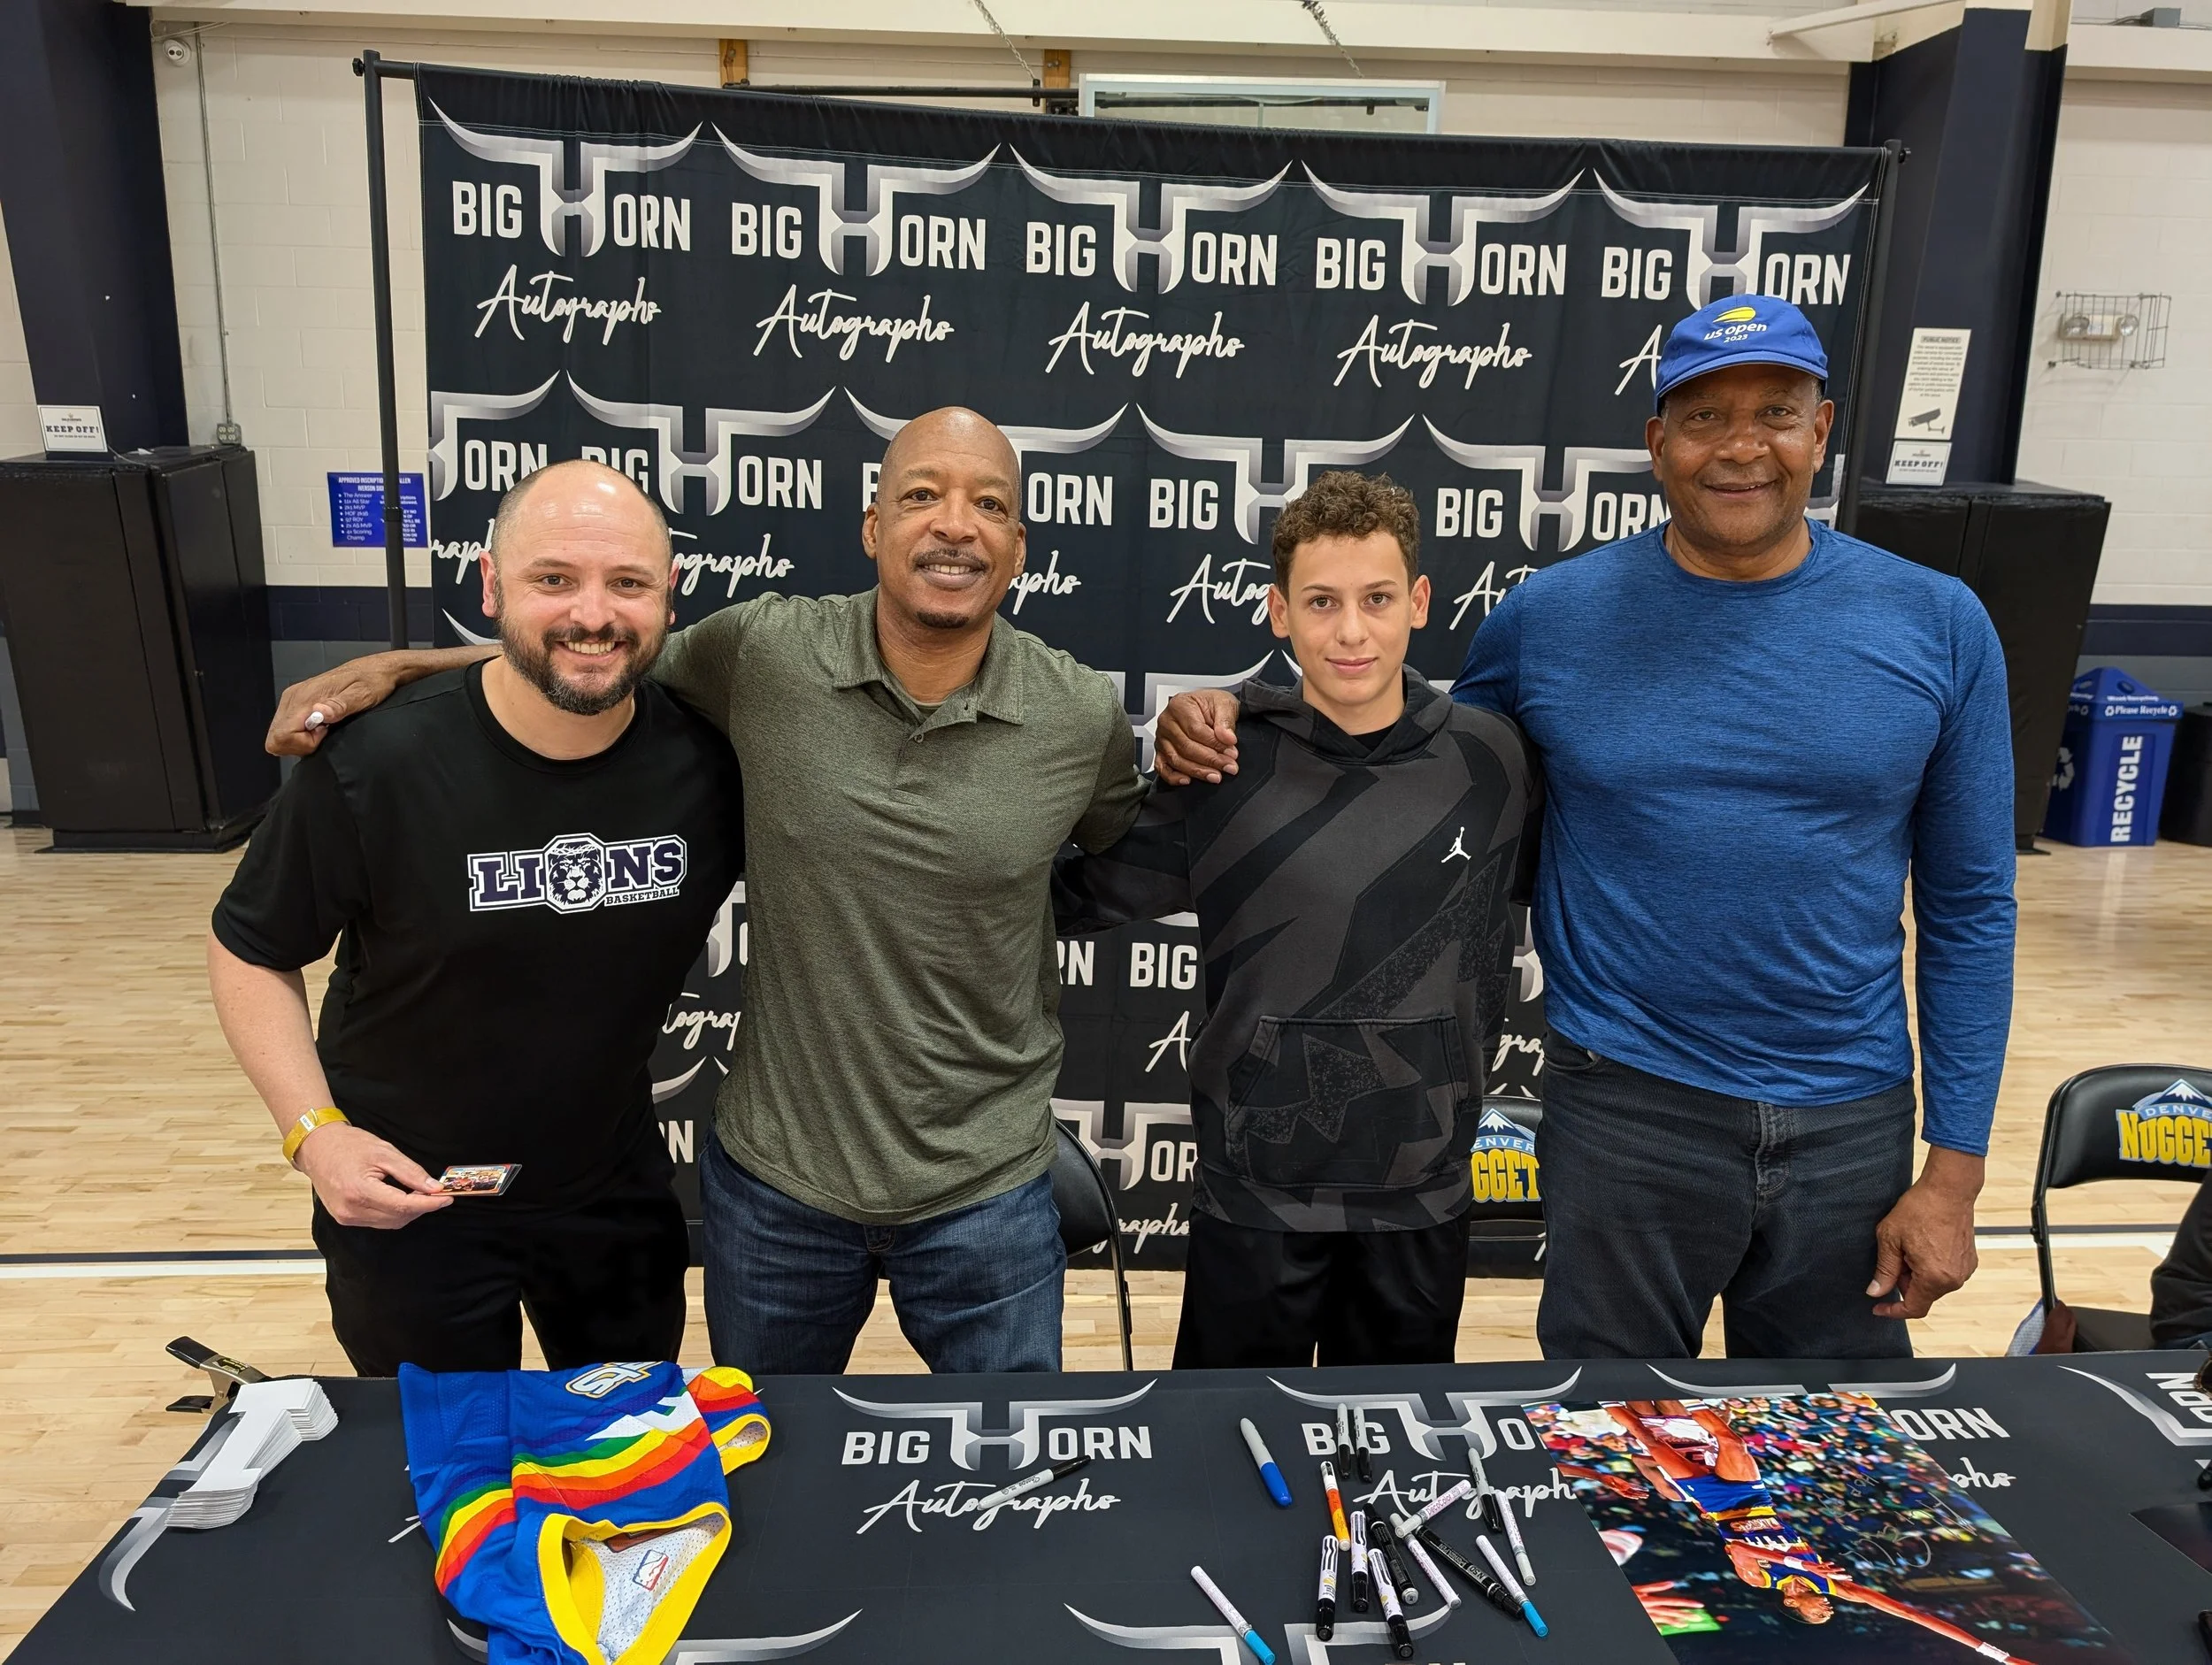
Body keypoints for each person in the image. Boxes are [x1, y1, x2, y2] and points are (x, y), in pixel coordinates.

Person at [1156, 294, 2016, 1361]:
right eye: (1704, 418)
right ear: (1657, 442)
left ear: (1821, 429)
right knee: (1609, 1432)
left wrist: (1955, 1169)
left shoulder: (1939, 624)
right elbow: (1403, 765)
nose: (1740, 446)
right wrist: (1242, 712)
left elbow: (1972, 906)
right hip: (1626, 1110)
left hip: (1851, 1118)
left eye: (1775, 413)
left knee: (1827, 1437)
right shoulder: (1547, 621)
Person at [262, 408, 1145, 1375]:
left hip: (989, 1188)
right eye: (921, 495)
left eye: (990, 505)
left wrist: (1215, 720)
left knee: (1008, 1454)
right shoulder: (764, 651)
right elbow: (592, 653)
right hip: (778, 1191)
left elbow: (1125, 851)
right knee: (751, 1450)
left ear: (1019, 546)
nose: (954, 524)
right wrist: (405, 667)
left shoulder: (1078, 712)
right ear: (872, 525)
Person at [208, 461, 743, 1374]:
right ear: (491, 585)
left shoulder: (712, 763)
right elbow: (250, 948)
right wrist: (314, 1133)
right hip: (407, 1201)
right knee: (454, 1458)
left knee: (618, 1447)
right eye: (553, 579)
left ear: (670, 593)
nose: (593, 613)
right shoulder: (376, 763)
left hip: (609, 1194)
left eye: (627, 583)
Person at [1053, 472, 1537, 1368]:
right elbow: (1067, 895)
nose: (1351, 631)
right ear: (1279, 612)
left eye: (1376, 599)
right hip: (1255, 1198)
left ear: (1418, 602)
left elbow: (1593, 887)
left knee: (1391, 1445)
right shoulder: (1219, 765)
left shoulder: (1494, 759)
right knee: (1229, 1440)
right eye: (1321, 602)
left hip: (1421, 1195)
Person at [1587, 1401, 2028, 1661]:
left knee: (1648, 1438)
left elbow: (1740, 1549)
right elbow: (1914, 1615)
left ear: (1792, 1603)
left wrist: (1795, 1562)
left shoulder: (1761, 1580)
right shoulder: (1837, 1586)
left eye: (1818, 1615)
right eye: (1826, 1614)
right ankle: (1696, 1398)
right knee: (1732, 1441)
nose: (1827, 1611)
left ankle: (1601, 1386)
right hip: (1752, 1497)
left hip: (1716, 1505)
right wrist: (1997, 1654)